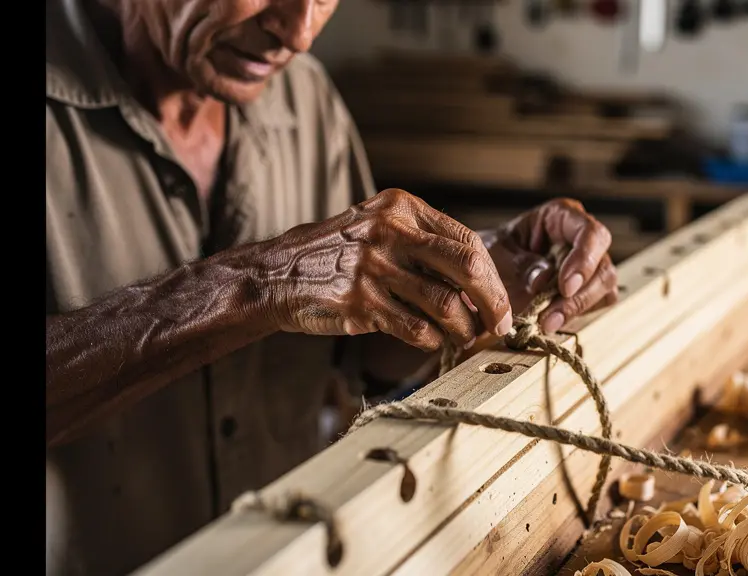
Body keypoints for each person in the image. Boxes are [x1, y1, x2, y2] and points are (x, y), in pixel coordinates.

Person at [45, 0, 619, 574]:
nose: (298, 32)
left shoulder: (302, 96)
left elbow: (352, 359)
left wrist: (461, 283)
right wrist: (255, 284)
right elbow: (276, 284)